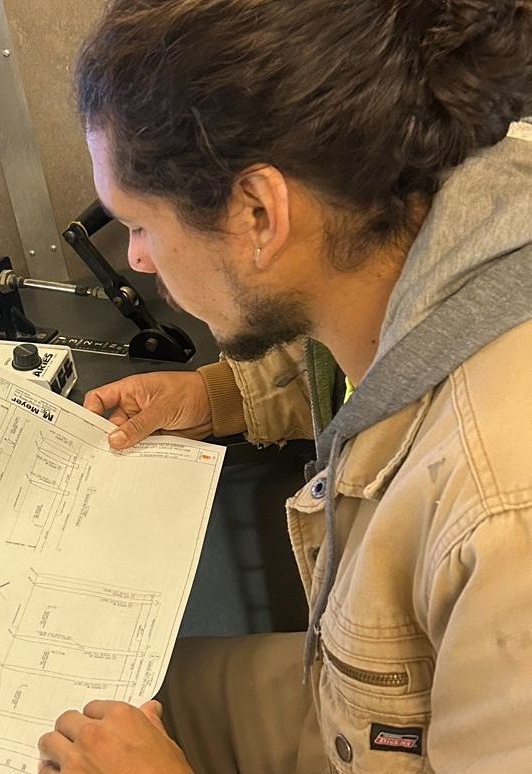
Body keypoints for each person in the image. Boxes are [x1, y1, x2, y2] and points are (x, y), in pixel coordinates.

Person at [36, 0, 532, 772]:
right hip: (363, 705)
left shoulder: (507, 516)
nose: (135, 258)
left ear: (260, 213)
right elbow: (389, 356)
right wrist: (219, 397)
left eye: (139, 223)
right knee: (80, 697)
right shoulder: (444, 200)